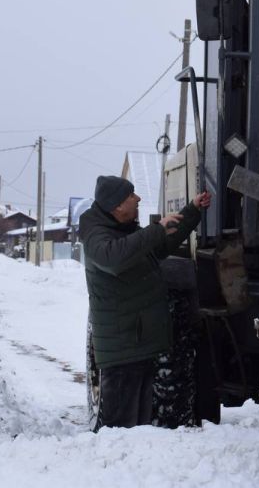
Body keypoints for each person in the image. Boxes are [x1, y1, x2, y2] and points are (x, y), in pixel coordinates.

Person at [79, 175, 211, 429]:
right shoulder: (96, 235)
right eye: (131, 195)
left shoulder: (121, 229)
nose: (138, 199)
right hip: (122, 348)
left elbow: (158, 245)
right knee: (117, 427)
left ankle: (128, 464)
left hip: (137, 341)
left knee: (137, 426)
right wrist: (156, 229)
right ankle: (107, 465)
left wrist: (192, 211)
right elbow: (114, 258)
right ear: (117, 205)